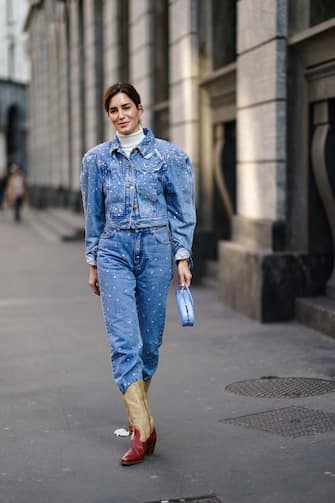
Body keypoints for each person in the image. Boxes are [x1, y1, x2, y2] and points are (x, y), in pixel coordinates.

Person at [80, 82, 196, 466]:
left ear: (141, 109)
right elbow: (93, 216)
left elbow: (181, 210)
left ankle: (140, 421)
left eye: (126, 107)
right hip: (113, 251)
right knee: (123, 340)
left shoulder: (168, 156)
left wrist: (182, 256)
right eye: (113, 110)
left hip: (156, 251)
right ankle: (141, 427)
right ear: (109, 116)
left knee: (149, 343)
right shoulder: (96, 160)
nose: (120, 115)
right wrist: (93, 261)